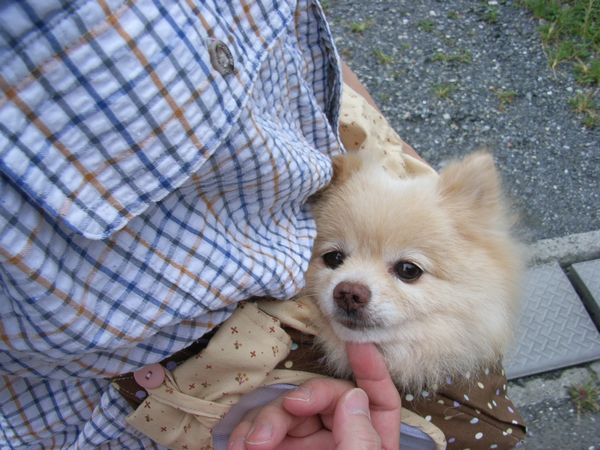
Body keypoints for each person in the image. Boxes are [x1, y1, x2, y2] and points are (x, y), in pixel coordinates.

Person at [0, 1, 404, 447]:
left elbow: (298, 32)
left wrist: (395, 152)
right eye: (336, 259)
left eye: (406, 270)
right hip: (139, 397)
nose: (353, 285)